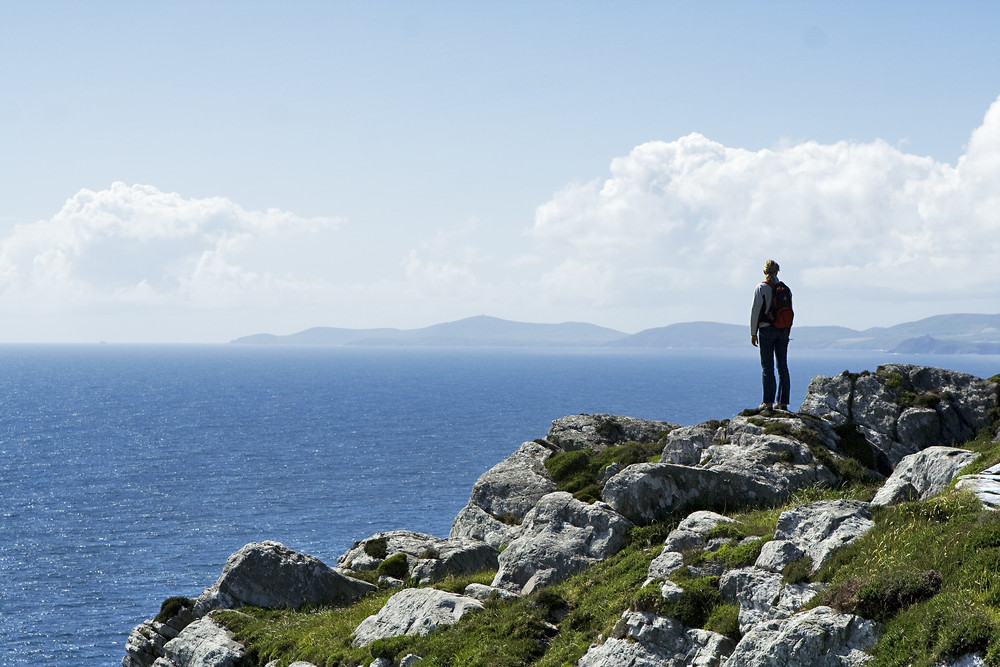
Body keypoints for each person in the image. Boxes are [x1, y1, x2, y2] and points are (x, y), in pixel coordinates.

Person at [750, 259, 790, 414]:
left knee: (768, 367)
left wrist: (753, 333)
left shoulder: (761, 287)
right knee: (783, 366)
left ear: (764, 272)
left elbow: (755, 311)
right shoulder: (785, 289)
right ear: (777, 272)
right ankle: (783, 402)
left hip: (766, 330)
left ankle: (767, 403)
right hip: (783, 331)